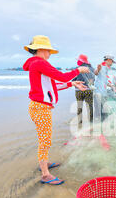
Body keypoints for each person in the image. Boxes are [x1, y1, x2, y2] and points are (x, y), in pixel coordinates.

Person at [23, 35, 90, 185]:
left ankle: (44, 165)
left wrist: (73, 84)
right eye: (48, 51)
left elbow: (53, 86)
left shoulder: (37, 64)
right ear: (41, 49)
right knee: (45, 140)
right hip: (40, 108)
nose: (49, 54)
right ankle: (46, 175)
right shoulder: (39, 63)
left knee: (45, 139)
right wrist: (78, 70)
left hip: (39, 107)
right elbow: (61, 77)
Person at [73, 54, 95, 129]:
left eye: (78, 60)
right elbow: (93, 79)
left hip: (78, 90)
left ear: (80, 61)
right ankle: (91, 124)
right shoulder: (91, 68)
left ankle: (79, 124)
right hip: (89, 90)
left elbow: (73, 80)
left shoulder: (77, 68)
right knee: (90, 107)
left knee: (79, 107)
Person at [93, 55, 116, 121]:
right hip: (98, 93)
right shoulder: (101, 66)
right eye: (112, 62)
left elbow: (104, 81)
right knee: (98, 111)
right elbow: (96, 73)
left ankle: (102, 126)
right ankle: (96, 126)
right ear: (108, 60)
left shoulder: (106, 69)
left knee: (104, 111)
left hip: (103, 93)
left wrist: (112, 86)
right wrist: (98, 69)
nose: (112, 64)